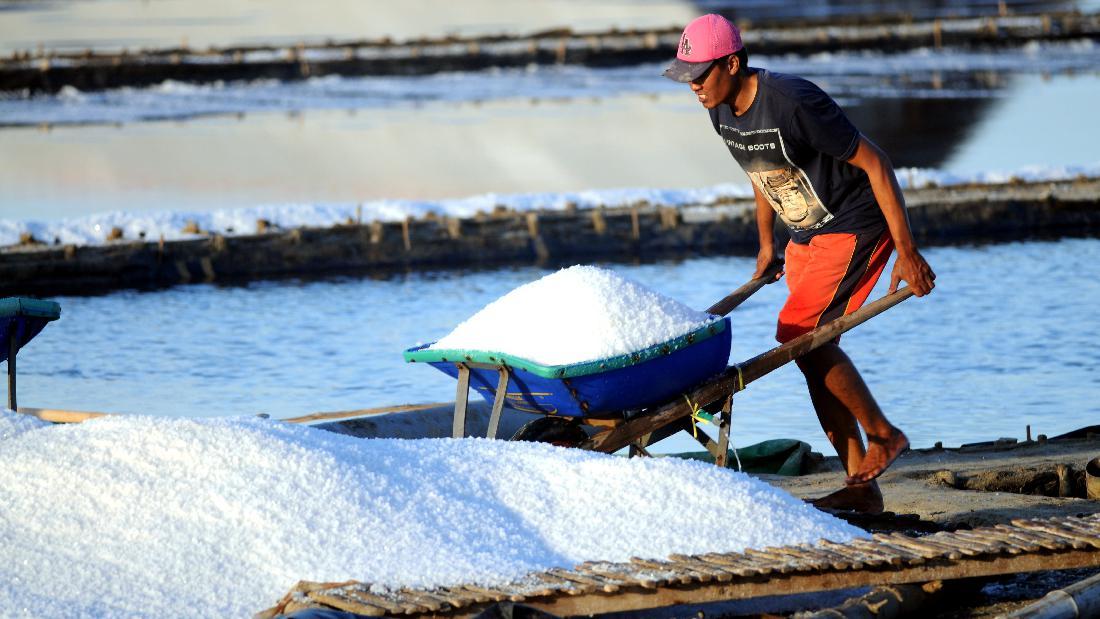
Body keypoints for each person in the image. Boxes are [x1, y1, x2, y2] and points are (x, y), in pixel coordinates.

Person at [664, 14, 936, 513]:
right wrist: (767, 244)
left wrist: (907, 250)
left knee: (800, 339)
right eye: (688, 78)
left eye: (701, 75)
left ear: (731, 62)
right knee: (806, 351)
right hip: (805, 235)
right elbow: (760, 169)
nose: (695, 87)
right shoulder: (720, 109)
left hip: (853, 225)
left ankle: (884, 435)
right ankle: (862, 488)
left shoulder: (792, 102)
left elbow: (876, 162)